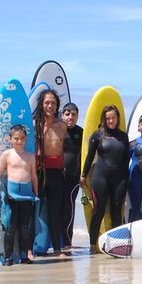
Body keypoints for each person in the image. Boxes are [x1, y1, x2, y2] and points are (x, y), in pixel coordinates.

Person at [0, 125, 38, 265]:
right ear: (10, 139)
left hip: (27, 195)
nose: (19, 141)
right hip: (12, 195)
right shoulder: (7, 154)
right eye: (16, 139)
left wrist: (36, 194)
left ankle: (24, 256)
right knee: (11, 226)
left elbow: (34, 176)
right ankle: (8, 257)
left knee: (24, 228)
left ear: (26, 139)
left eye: (22, 139)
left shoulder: (30, 156)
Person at [81, 104, 128, 251]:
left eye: (113, 117)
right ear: (104, 119)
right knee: (99, 210)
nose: (111, 120)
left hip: (119, 178)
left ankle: (116, 245)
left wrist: (127, 179)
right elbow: (89, 158)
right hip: (100, 178)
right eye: (108, 118)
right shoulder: (97, 135)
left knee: (116, 210)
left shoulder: (123, 136)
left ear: (117, 118)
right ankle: (92, 245)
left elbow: (126, 159)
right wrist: (83, 175)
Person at [33, 89, 68, 256]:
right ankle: (28, 248)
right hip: (38, 172)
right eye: (47, 102)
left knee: (56, 211)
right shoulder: (34, 124)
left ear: (57, 105)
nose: (50, 105)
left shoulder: (62, 126)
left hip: (56, 173)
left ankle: (57, 249)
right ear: (41, 104)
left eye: (53, 103)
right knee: (35, 210)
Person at [61, 102, 84, 249]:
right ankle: (55, 241)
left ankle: (67, 241)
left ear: (77, 116)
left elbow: (86, 155)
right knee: (56, 208)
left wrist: (84, 175)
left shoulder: (82, 133)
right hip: (57, 177)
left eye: (73, 114)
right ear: (62, 115)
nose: (70, 117)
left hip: (74, 177)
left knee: (69, 209)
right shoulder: (57, 131)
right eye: (67, 114)